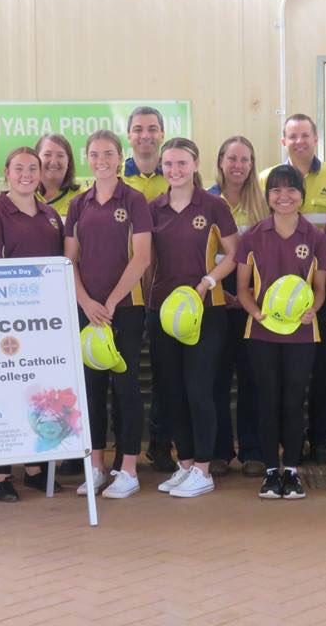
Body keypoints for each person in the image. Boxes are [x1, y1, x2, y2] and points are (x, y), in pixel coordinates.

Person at [259, 113, 326, 464]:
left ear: (316, 139)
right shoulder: (265, 178)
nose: (299, 141)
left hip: (321, 291)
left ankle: (318, 438)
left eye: (305, 135)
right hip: (272, 300)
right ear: (283, 141)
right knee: (279, 378)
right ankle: (282, 444)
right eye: (292, 136)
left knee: (323, 371)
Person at [148, 137, 238, 498]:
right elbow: (146, 260)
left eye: (182, 163)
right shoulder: (153, 208)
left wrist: (207, 282)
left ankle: (204, 467)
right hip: (162, 313)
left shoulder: (214, 206)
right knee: (171, 390)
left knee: (199, 389)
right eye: (168, 164)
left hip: (206, 311)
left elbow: (234, 253)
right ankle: (184, 464)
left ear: (196, 164)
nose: (175, 170)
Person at [0, 146, 65, 502]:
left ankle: (33, 468)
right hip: (7, 324)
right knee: (7, 394)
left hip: (43, 324)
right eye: (19, 168)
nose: (27, 174)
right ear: (7, 173)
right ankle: (0, 474)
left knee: (37, 395)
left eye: (33, 168)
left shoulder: (51, 215)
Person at [65, 130, 152, 498]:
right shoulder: (78, 204)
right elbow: (69, 260)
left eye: (109, 154)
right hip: (87, 311)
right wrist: (85, 302)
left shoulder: (134, 200)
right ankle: (96, 466)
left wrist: (113, 301)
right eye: (95, 154)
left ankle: (128, 468)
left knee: (126, 385)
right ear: (88, 159)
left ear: (120, 158)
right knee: (91, 388)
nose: (102, 160)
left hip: (125, 310)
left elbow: (142, 257)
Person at [236, 164, 326, 499]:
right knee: (267, 400)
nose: (284, 196)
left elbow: (320, 289)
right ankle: (270, 472)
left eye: (291, 190)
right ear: (268, 196)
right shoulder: (252, 236)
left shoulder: (316, 237)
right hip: (260, 333)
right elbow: (243, 288)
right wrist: (256, 311)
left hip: (302, 335)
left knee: (293, 400)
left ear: (302, 195)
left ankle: (291, 470)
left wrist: (313, 309)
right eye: (276, 190)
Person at [208, 136, 268, 477]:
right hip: (213, 294)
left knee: (252, 378)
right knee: (215, 377)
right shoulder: (206, 199)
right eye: (232, 158)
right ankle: (218, 451)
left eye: (245, 159)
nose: (238, 166)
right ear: (220, 161)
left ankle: (253, 451)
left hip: (252, 298)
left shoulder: (262, 203)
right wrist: (220, 290)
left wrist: (246, 295)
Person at [122, 106, 174, 473]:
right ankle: (120, 449)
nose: (146, 135)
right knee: (122, 374)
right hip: (122, 297)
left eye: (152, 129)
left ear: (162, 133)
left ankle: (160, 445)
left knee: (162, 374)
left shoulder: (176, 177)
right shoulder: (111, 181)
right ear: (129, 136)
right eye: (138, 129)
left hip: (162, 295)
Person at [36, 133, 82, 217]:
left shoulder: (83, 197)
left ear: (69, 162)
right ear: (36, 159)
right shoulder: (24, 197)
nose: (53, 162)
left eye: (60, 155)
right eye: (47, 155)